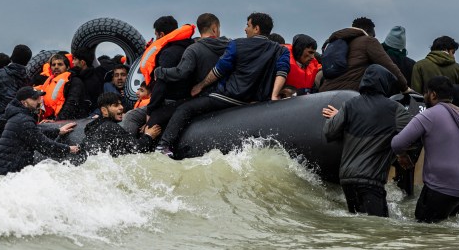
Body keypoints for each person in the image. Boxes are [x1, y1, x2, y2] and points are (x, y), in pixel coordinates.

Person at [156, 12, 291, 156]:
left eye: (248, 25)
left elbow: (219, 69)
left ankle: (162, 146)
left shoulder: (237, 44)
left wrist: (200, 86)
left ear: (256, 28)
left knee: (184, 109)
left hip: (229, 96)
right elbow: (282, 72)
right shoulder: (281, 50)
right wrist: (275, 95)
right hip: (255, 100)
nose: (245, 29)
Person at [322, 65, 413, 217]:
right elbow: (413, 134)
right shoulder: (394, 109)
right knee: (377, 230)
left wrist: (337, 117)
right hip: (371, 180)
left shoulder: (349, 105)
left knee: (359, 227)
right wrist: (401, 154)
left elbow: (329, 132)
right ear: (385, 84)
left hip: (347, 179)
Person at [391, 76, 459, 223]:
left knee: (422, 229)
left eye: (426, 92)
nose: (424, 96)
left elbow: (397, 143)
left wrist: (402, 155)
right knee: (444, 232)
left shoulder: (429, 115)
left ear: (433, 94)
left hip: (444, 187)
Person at [0, 87, 80, 175]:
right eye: (35, 99)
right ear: (24, 103)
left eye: (39, 97)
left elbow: (35, 130)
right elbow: (44, 145)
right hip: (8, 174)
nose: (40, 101)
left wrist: (57, 131)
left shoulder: (19, 117)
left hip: (4, 173)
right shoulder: (24, 120)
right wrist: (68, 149)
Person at [319, 17, 409, 94]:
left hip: (325, 93)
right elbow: (389, 67)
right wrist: (405, 87)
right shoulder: (368, 41)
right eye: (373, 35)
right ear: (367, 31)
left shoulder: (336, 42)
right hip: (347, 95)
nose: (374, 38)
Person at [81, 93, 162, 156]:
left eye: (120, 104)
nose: (121, 107)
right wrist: (149, 136)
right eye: (116, 105)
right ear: (104, 111)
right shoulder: (110, 126)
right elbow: (136, 148)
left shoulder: (95, 126)